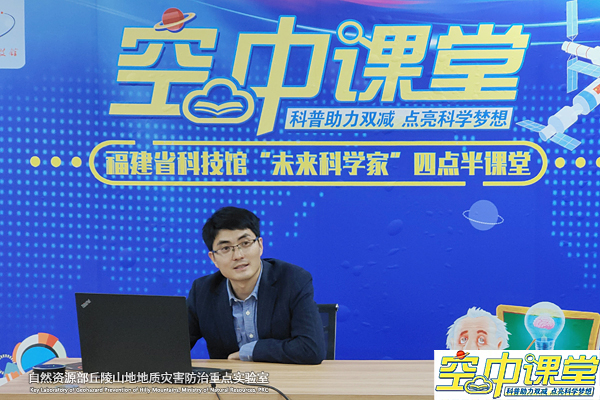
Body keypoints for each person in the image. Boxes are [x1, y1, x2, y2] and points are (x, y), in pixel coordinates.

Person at [187, 206, 325, 364]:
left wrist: (250, 352)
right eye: (225, 248)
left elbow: (311, 349)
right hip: (230, 380)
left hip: (285, 378)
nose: (238, 255)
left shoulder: (293, 280)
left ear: (260, 245)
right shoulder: (203, 291)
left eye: (245, 243)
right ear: (213, 258)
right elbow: (173, 346)